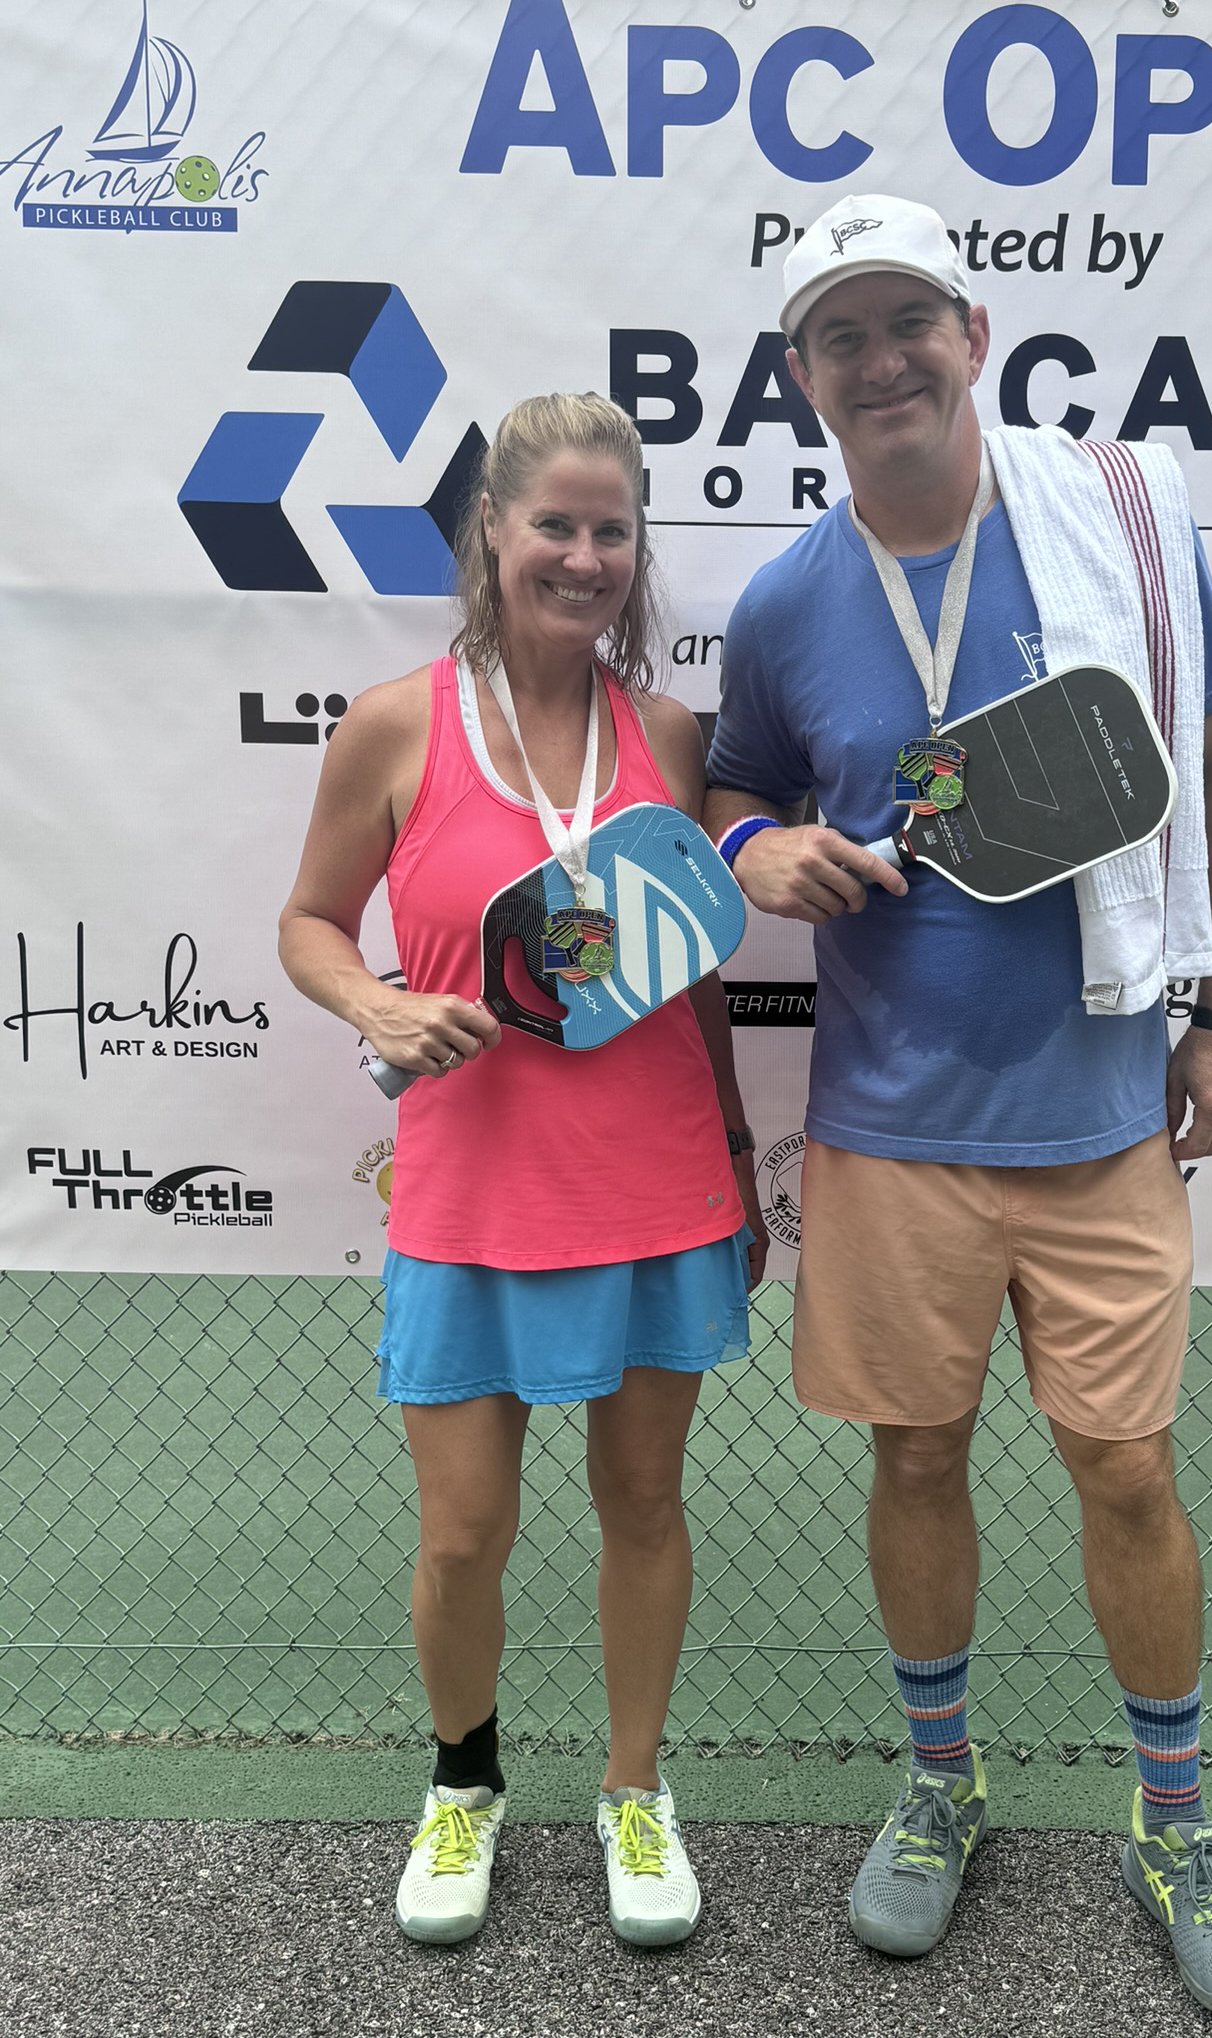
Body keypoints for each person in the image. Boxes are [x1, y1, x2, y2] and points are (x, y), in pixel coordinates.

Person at [702, 196, 1212, 2023]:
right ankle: (941, 1781)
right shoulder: (794, 596)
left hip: (1105, 1109)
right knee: (916, 1456)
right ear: (801, 378)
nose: (879, 363)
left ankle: (1173, 1816)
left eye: (905, 324)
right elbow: (731, 785)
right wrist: (757, 844)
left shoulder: (1115, 517)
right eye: (837, 339)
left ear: (973, 325)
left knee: (1125, 1467)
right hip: (887, 1131)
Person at [279, 392, 766, 1951]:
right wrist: (372, 999)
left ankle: (634, 1788)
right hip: (472, 1192)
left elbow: (696, 974)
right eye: (552, 523)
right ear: (490, 531)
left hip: (656, 1182)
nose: (583, 554)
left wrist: (744, 1154)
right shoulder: (394, 722)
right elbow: (307, 922)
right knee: (462, 1531)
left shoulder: (675, 740)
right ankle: (465, 1780)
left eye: (612, 529)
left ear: (640, 548)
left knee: (643, 1503)